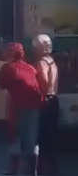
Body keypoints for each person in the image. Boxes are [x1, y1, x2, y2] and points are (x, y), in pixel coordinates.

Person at [0, 42, 43, 175]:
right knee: (31, 141)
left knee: (15, 136)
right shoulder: (30, 68)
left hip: (18, 106)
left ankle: (13, 171)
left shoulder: (8, 68)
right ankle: (32, 171)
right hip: (35, 106)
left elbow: (0, 85)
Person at [34, 34, 59, 175]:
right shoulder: (52, 61)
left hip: (46, 100)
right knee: (52, 137)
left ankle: (44, 171)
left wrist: (40, 89)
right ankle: (53, 170)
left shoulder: (42, 62)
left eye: (36, 47)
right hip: (55, 99)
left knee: (43, 138)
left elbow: (43, 79)